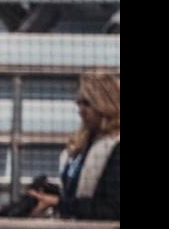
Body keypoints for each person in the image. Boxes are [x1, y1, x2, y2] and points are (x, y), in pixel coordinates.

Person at [25, 70, 118, 220]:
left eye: (86, 104)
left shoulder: (115, 146)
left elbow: (112, 208)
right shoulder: (83, 144)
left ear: (104, 104)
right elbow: (73, 191)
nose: (80, 111)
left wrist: (58, 202)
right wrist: (49, 193)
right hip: (75, 228)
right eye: (78, 103)